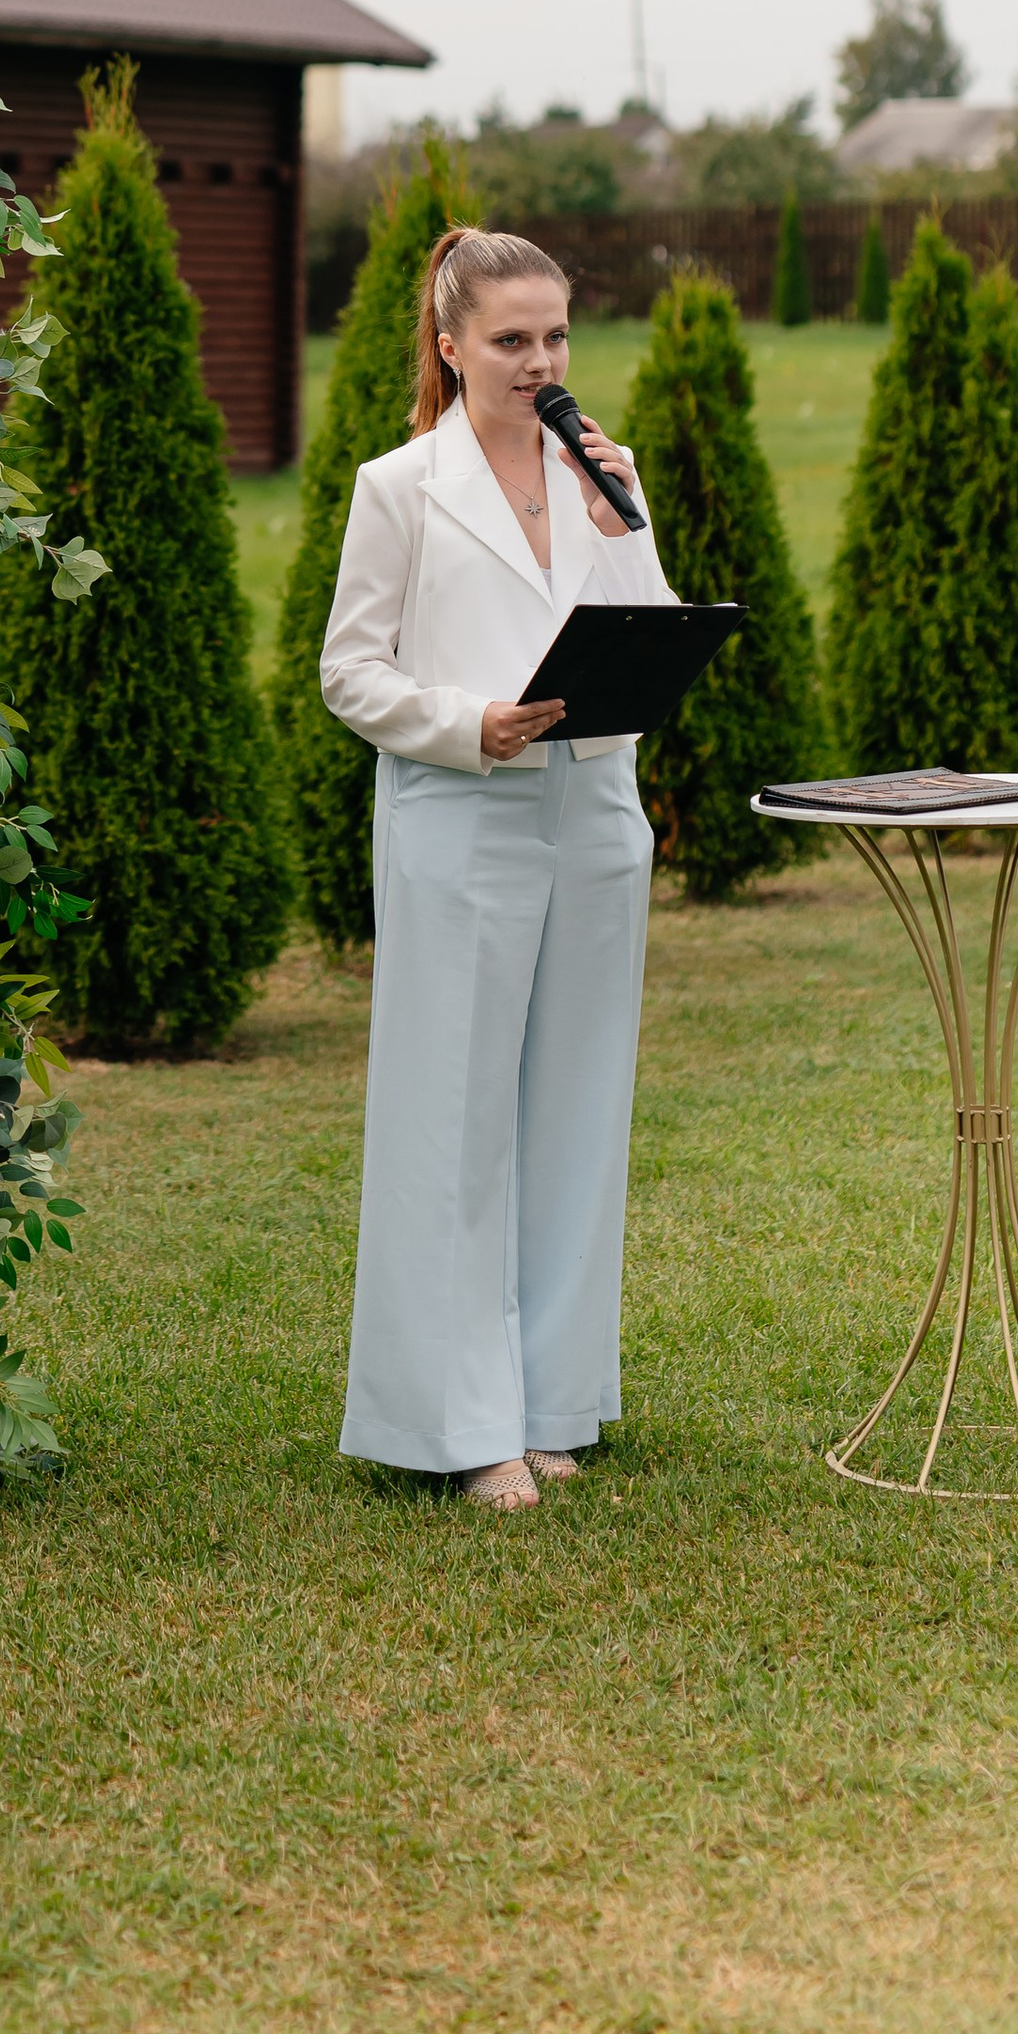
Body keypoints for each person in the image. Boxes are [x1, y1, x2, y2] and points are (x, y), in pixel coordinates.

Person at [318, 226, 673, 1510]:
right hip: (460, 811)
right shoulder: (399, 484)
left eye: (555, 335)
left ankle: (549, 1397)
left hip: (594, 815)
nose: (538, 361)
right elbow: (349, 670)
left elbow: (647, 623)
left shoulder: (603, 473)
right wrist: (470, 723)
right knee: (455, 1114)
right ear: (450, 342)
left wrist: (610, 523)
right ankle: (464, 1425)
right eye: (511, 338)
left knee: (575, 1106)